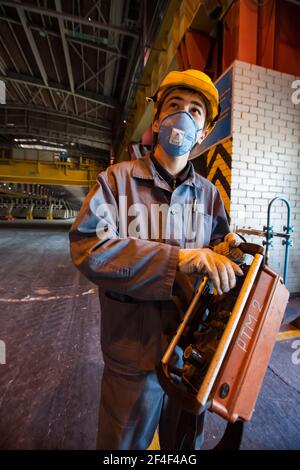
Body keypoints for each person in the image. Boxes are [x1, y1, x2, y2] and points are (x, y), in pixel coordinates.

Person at [69, 69, 245, 450]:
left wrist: (230, 251)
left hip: (189, 357)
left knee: (182, 448)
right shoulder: (115, 182)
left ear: (204, 130)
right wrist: (178, 260)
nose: (183, 116)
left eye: (196, 110)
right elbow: (88, 247)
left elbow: (220, 247)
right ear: (158, 117)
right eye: (175, 106)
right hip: (132, 357)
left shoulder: (210, 196)